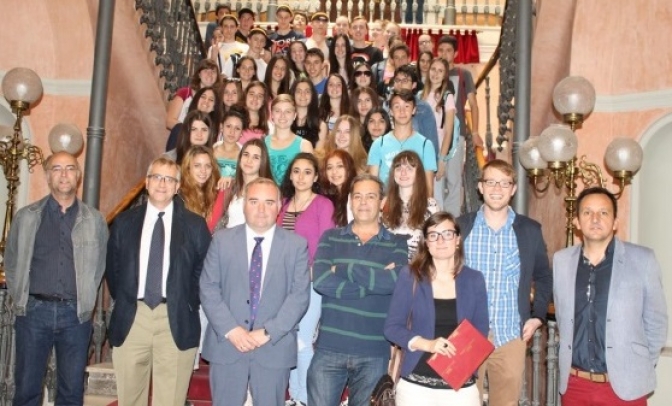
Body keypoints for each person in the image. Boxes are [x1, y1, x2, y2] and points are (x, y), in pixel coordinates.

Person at [107, 157, 211, 406]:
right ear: (146, 182)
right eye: (156, 177)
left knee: (170, 401)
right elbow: (113, 270)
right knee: (130, 398)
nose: (162, 184)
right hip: (133, 317)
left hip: (175, 318)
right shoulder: (124, 223)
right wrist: (126, 300)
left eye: (170, 179)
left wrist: (187, 301)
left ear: (178, 186)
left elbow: (204, 271)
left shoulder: (195, 226)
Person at [5, 152, 107, 406]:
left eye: (70, 168)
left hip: (75, 316)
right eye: (57, 169)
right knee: (27, 389)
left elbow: (98, 267)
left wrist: (84, 301)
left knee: (71, 393)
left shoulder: (94, 220)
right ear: (48, 176)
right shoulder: (27, 217)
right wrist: (21, 300)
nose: (64, 175)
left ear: (78, 176)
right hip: (33, 313)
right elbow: (13, 260)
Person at [200, 177, 311, 406]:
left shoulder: (296, 246)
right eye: (254, 201)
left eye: (269, 202)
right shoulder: (221, 241)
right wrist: (232, 330)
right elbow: (208, 287)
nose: (261, 209)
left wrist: (268, 332)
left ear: (280, 206)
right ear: (244, 205)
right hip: (227, 345)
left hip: (273, 347)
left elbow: (299, 296)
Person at [553, 187, 668, 406]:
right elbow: (562, 318)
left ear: (615, 222)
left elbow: (656, 323)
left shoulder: (642, 260)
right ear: (577, 221)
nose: (595, 219)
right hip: (575, 385)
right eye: (587, 213)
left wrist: (637, 364)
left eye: (603, 213)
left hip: (625, 387)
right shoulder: (562, 261)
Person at [456, 159, 553, 406]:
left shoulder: (529, 230)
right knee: (461, 402)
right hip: (465, 333)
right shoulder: (460, 227)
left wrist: (537, 315)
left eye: (504, 183)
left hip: (511, 335)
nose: (497, 188)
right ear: (480, 187)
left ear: (513, 189)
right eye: (490, 182)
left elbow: (543, 276)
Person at [308, 174, 409, 406]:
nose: (363, 202)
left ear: (382, 202)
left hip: (374, 351)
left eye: (371, 196)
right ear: (350, 202)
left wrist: (344, 268)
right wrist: (374, 284)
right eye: (358, 196)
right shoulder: (331, 238)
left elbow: (395, 283)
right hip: (329, 347)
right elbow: (321, 281)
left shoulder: (397, 242)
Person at [384, 211, 488, 405]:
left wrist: (462, 366)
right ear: (426, 243)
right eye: (433, 235)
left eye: (447, 234)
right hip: (416, 388)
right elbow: (392, 328)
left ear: (457, 239)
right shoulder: (410, 276)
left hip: (461, 389)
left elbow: (480, 332)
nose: (441, 240)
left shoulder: (474, 279)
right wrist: (427, 344)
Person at [278, 153, 336, 406]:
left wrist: (310, 275)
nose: (301, 177)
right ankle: (293, 395)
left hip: (310, 283)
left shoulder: (323, 205)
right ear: (290, 175)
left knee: (303, 341)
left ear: (315, 177)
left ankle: (303, 398)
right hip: (283, 284)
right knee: (289, 339)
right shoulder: (282, 204)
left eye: (307, 172)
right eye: (297, 171)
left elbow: (326, 246)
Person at [368, 89, 437, 195]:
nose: (402, 111)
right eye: (397, 106)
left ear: (414, 110)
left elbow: (429, 189)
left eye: (407, 106)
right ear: (390, 111)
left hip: (415, 206)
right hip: (387, 206)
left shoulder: (426, 145)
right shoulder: (378, 144)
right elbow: (372, 186)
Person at [382, 151, 438, 261]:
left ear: (418, 174)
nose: (403, 172)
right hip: (387, 266)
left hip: (418, 268)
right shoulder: (383, 205)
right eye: (398, 169)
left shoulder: (430, 206)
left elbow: (435, 244)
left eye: (409, 169)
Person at [421, 57, 458, 214]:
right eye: (433, 69)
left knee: (435, 197)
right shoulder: (420, 95)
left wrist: (442, 160)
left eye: (440, 71)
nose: (436, 74)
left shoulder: (447, 97)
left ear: (445, 75)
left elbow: (448, 131)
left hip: (436, 152)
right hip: (420, 150)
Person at [437, 35, 483, 149]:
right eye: (441, 50)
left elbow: (473, 104)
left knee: (454, 167)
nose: (444, 54)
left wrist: (475, 132)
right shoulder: (433, 74)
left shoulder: (464, 74)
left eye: (448, 50)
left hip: (456, 131)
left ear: (455, 53)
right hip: (435, 132)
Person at [165, 59, 220, 151]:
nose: (210, 74)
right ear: (199, 74)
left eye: (213, 71)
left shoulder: (217, 100)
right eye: (206, 70)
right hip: (182, 139)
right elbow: (170, 121)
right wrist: (193, 130)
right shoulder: (185, 93)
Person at [386, 64, 440, 156]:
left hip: (416, 159)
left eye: (405, 81)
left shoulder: (423, 108)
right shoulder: (386, 105)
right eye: (397, 80)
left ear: (414, 85)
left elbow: (431, 141)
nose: (400, 84)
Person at [221, 139, 273, 229]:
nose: (249, 160)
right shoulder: (230, 187)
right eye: (246, 155)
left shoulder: (269, 192)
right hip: (227, 239)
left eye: (255, 157)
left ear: (262, 162)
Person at [265, 94, 314, 184]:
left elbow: (309, 179)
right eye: (278, 111)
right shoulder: (263, 143)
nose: (282, 115)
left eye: (288, 111)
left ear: (295, 115)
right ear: (271, 115)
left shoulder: (304, 146)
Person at [320, 149, 357, 227]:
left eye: (340, 166)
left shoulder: (355, 195)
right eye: (329, 168)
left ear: (349, 168)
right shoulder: (330, 198)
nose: (334, 172)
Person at [291, 77, 328, 148]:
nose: (303, 94)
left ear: (312, 95)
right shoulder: (285, 121)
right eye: (299, 91)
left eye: (307, 91)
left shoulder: (321, 126)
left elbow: (318, 155)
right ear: (293, 94)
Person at [214, 107, 247, 177]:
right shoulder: (211, 151)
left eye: (237, 128)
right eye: (228, 126)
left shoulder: (245, 155)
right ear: (221, 127)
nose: (232, 132)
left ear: (241, 132)